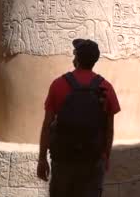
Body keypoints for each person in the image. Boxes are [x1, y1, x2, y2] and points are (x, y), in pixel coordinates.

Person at [37, 39, 121, 196]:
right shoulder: (106, 87)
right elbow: (109, 129)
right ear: (95, 60)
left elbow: (47, 125)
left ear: (76, 58)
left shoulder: (59, 84)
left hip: (63, 160)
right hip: (93, 160)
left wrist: (42, 159)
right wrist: (105, 158)